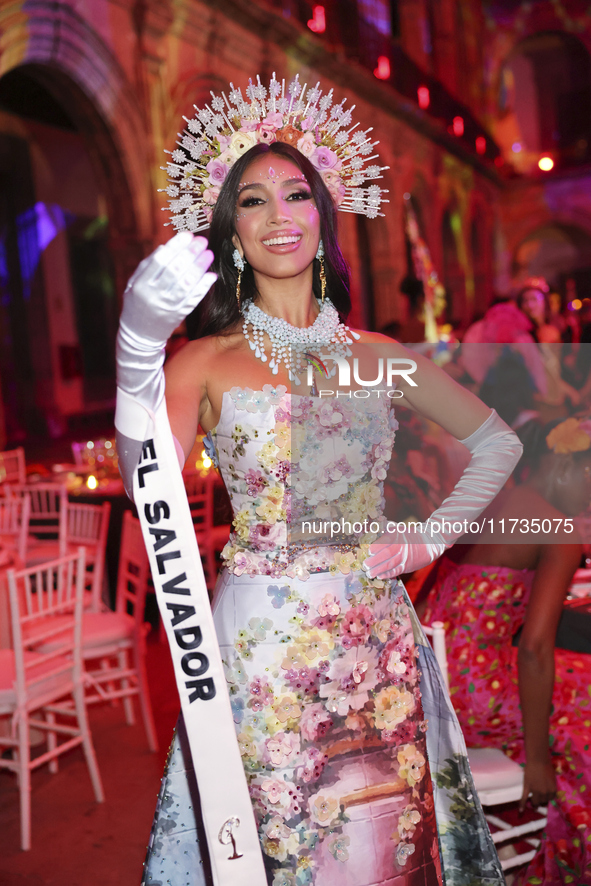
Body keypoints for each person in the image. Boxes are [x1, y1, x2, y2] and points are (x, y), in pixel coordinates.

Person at [115, 75, 522, 886]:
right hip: (262, 643)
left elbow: (498, 444)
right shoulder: (203, 361)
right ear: (231, 228)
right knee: (281, 841)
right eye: (253, 201)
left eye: (294, 194)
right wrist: (136, 346)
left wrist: (427, 538)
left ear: (320, 215)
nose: (277, 216)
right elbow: (144, 487)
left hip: (374, 631)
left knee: (385, 843)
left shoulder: (380, 355)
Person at [421, 415, 591, 885]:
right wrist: (536, 759)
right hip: (477, 693)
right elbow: (534, 649)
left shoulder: (489, 499)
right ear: (561, 465)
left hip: (430, 681)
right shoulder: (559, 530)